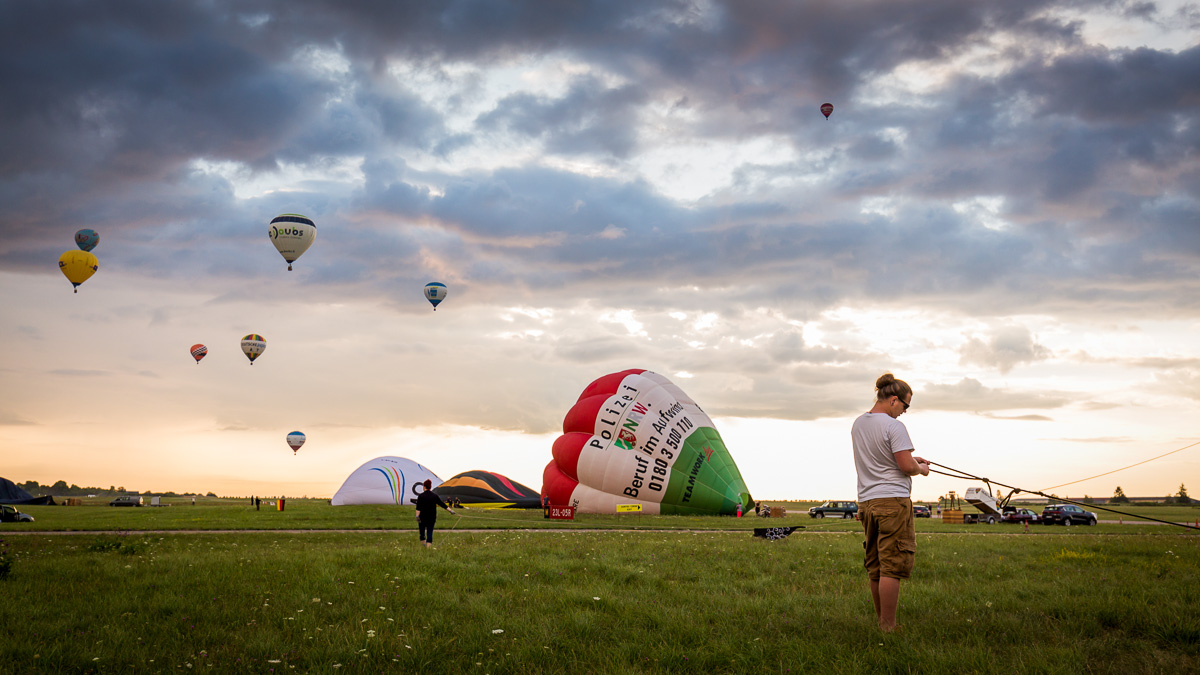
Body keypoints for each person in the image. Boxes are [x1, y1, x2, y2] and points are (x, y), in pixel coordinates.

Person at [851, 373, 929, 632]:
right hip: (892, 502)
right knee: (892, 566)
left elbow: (881, 459)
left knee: (875, 565)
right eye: (905, 406)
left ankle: (882, 622)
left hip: (867, 502)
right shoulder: (894, 426)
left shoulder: (859, 424)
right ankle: (889, 626)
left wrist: (912, 461)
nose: (904, 412)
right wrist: (921, 468)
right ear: (894, 400)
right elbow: (905, 466)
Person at [414, 480, 454, 548]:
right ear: (430, 486)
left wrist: (417, 516)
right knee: (429, 533)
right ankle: (428, 548)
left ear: (424, 486)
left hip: (422, 518)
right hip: (431, 518)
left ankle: (424, 547)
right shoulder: (434, 496)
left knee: (422, 533)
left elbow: (418, 508)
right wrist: (450, 510)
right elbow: (442, 504)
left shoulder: (421, 496)